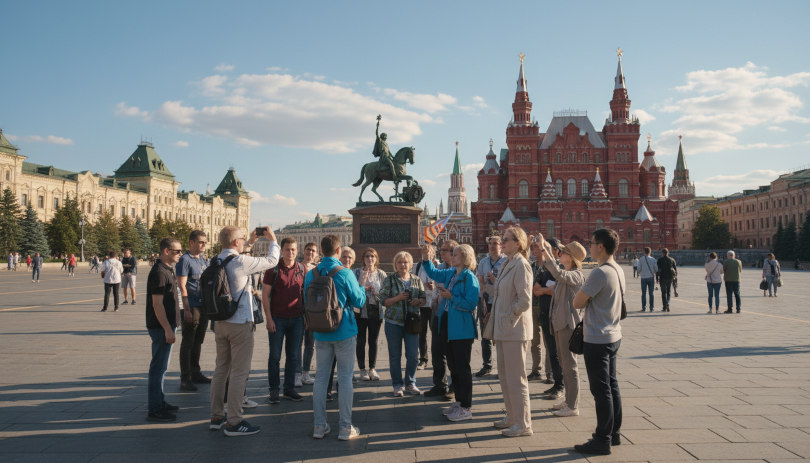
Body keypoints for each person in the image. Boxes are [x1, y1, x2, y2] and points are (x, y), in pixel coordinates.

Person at [209, 226, 279, 437]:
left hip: (220, 323)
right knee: (240, 372)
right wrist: (273, 240)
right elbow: (271, 261)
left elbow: (239, 253)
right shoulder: (240, 262)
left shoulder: (216, 260)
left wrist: (249, 242)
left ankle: (216, 416)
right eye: (241, 239)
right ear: (235, 242)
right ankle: (234, 421)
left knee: (221, 370)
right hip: (240, 324)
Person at [304, 235, 366, 441]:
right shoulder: (345, 273)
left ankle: (319, 426)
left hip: (320, 331)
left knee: (321, 378)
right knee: (345, 378)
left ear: (321, 251)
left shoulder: (311, 274)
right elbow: (358, 300)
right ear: (339, 251)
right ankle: (345, 427)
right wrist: (363, 290)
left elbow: (306, 299)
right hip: (344, 330)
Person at [572, 228, 625, 455]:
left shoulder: (600, 273)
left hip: (597, 337)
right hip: (614, 334)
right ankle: (614, 434)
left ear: (600, 246)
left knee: (601, 390)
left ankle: (601, 439)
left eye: (591, 243)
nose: (589, 247)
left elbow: (577, 302)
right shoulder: (618, 269)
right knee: (611, 386)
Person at [419, 243, 480, 422]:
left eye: (455, 254)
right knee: (453, 367)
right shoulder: (452, 273)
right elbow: (434, 273)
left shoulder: (470, 278)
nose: (451, 257)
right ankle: (459, 402)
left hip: (461, 328)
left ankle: (466, 406)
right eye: (452, 254)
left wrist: (451, 297)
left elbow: (471, 303)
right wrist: (425, 258)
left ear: (465, 257)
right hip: (448, 325)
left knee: (462, 368)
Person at [489, 227, 534, 437]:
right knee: (505, 376)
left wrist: (510, 316)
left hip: (515, 330)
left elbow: (524, 300)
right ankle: (512, 416)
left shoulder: (521, 265)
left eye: (506, 240)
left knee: (516, 378)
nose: (502, 242)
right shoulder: (508, 262)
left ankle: (524, 424)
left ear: (518, 243)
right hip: (503, 329)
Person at [535, 236, 586, 417]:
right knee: (564, 364)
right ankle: (568, 400)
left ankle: (572, 406)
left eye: (563, 252)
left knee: (570, 365)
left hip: (568, 325)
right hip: (559, 323)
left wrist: (543, 249)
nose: (560, 253)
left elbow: (558, 274)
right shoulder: (566, 272)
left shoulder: (576, 274)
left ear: (570, 258)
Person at [262, 237, 306, 404]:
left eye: (293, 249)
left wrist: (305, 317)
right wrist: (269, 318)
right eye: (287, 249)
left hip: (296, 319)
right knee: (274, 356)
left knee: (293, 356)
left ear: (297, 250)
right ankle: (274, 390)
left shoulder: (301, 269)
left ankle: (289, 389)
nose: (291, 252)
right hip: (277, 319)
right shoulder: (272, 269)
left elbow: (304, 294)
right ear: (281, 250)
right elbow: (265, 295)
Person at [144, 237, 183, 422]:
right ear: (166, 251)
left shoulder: (167, 270)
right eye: (177, 251)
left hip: (166, 325)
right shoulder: (159, 272)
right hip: (161, 327)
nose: (180, 254)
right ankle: (155, 408)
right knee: (158, 368)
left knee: (161, 367)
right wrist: (167, 328)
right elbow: (157, 304)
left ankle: (159, 401)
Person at [380, 251, 426, 396]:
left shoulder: (416, 279)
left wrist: (418, 301)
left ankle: (410, 383)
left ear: (410, 264)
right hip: (393, 322)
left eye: (405, 262)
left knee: (413, 355)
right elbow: (383, 301)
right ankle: (397, 385)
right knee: (395, 356)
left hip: (412, 322)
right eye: (399, 262)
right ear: (395, 264)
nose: (403, 265)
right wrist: (398, 298)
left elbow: (424, 299)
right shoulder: (390, 280)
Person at [424, 240, 458, 401]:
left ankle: (454, 387)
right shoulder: (440, 268)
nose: (442, 253)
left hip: (453, 316)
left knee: (453, 354)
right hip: (437, 313)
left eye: (445, 250)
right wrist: (433, 290)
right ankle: (439, 384)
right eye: (442, 250)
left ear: (454, 252)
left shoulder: (460, 270)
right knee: (437, 351)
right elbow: (435, 280)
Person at [177, 231, 210, 391]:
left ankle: (195, 372)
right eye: (201, 242)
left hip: (203, 306)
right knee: (188, 341)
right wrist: (187, 308)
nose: (204, 244)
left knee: (198, 340)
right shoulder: (185, 260)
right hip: (191, 305)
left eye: (205, 242)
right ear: (191, 243)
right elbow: (182, 285)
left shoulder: (203, 260)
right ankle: (185, 377)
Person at [531, 238, 564, 395]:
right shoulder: (543, 271)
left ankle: (559, 384)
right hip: (544, 313)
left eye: (546, 249)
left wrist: (544, 290)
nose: (543, 251)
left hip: (556, 315)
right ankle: (557, 384)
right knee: (551, 350)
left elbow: (556, 290)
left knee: (557, 351)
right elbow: (535, 290)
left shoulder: (560, 268)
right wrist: (545, 289)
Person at [475, 235, 507, 378]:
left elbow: (506, 283)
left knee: (501, 335)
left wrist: (495, 281)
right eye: (490, 243)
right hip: (485, 302)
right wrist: (483, 284)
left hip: (500, 301)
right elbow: (480, 281)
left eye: (495, 243)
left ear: (501, 246)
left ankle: (503, 367)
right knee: (485, 335)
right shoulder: (483, 262)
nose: (492, 246)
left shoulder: (506, 261)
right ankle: (487, 365)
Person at [355, 248, 386, 382]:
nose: (370, 259)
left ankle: (372, 368)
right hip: (360, 311)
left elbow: (386, 293)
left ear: (376, 258)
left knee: (373, 341)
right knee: (360, 341)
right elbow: (353, 291)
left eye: (372, 256)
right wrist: (362, 288)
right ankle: (362, 370)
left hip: (375, 311)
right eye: (367, 256)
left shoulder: (381, 274)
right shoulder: (356, 272)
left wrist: (377, 294)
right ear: (363, 259)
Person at [297, 241, 320, 387]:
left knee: (310, 344)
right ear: (303, 251)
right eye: (308, 250)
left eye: (313, 251)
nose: (310, 253)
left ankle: (306, 372)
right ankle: (297, 373)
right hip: (298, 310)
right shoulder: (297, 267)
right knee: (297, 344)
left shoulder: (318, 270)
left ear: (317, 254)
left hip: (312, 311)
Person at [413, 249, 438, 371]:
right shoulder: (418, 266)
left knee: (435, 333)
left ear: (433, 253)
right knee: (421, 333)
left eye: (428, 252)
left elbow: (443, 282)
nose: (426, 254)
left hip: (434, 303)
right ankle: (423, 359)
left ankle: (437, 359)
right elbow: (413, 281)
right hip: (422, 303)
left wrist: (435, 286)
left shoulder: (438, 265)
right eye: (424, 252)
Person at [372, 114, 398, 181]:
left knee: (395, 164)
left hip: (388, 156)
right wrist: (377, 125)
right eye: (385, 136)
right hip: (384, 157)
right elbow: (376, 133)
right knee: (391, 165)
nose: (386, 137)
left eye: (386, 136)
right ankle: (394, 176)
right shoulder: (380, 140)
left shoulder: (386, 143)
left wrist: (393, 157)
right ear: (382, 136)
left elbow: (389, 151)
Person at [656, 248, 677, 313]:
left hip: (662, 278)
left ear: (662, 253)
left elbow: (658, 270)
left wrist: (657, 278)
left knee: (663, 292)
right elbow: (675, 270)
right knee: (668, 292)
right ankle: (667, 303)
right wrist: (675, 279)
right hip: (670, 278)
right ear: (668, 252)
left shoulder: (660, 260)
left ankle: (664, 306)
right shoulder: (672, 260)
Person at [638, 247, 657, 312]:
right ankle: (651, 308)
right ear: (650, 252)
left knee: (643, 293)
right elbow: (656, 269)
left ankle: (644, 307)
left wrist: (641, 272)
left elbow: (638, 269)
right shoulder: (653, 259)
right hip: (651, 278)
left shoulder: (640, 259)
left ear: (644, 252)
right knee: (651, 293)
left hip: (643, 278)